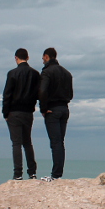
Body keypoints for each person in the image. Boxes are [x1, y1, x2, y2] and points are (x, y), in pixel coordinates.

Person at [2, 48, 41, 180]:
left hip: (14, 112)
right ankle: (32, 172)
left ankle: (18, 174)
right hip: (28, 112)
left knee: (16, 143)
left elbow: (7, 94)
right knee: (27, 142)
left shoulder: (12, 73)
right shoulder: (35, 74)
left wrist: (5, 113)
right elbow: (38, 94)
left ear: (16, 58)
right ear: (28, 57)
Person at [38, 47, 73, 182]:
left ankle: (56, 175)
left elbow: (42, 91)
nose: (42, 60)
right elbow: (70, 94)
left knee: (55, 143)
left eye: (43, 58)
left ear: (46, 56)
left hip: (52, 109)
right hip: (64, 108)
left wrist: (43, 108)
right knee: (60, 142)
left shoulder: (47, 72)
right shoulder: (67, 73)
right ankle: (58, 173)